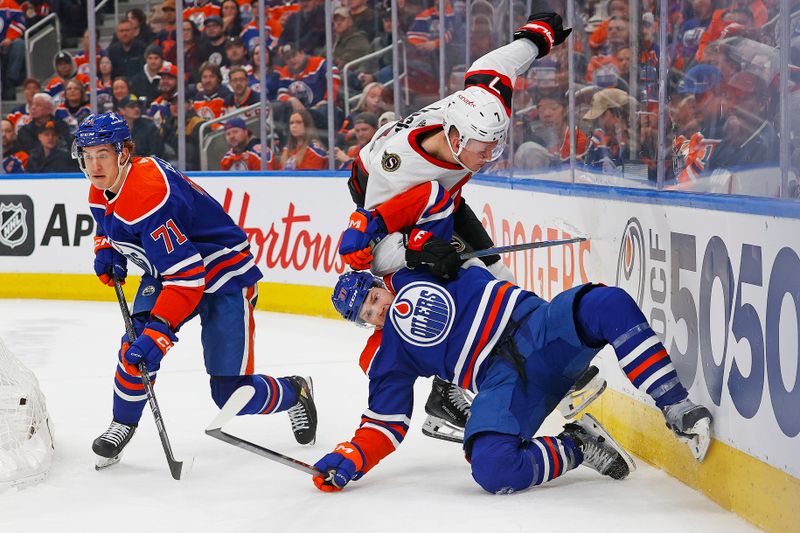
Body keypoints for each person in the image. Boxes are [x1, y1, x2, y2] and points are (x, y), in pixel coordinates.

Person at [339, 12, 576, 443]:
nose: (491, 157)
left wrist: (536, 39)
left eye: (495, 146)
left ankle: (541, 344)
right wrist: (416, 253)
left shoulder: (476, 112)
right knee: (440, 285)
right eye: (484, 149)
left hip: (439, 194)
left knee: (494, 270)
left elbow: (491, 69)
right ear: (455, 139)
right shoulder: (400, 175)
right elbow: (373, 250)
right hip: (387, 198)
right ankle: (444, 395)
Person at [314, 237, 713, 493]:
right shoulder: (386, 355)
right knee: (491, 467)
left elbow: (440, 188)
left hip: (538, 328)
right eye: (365, 315)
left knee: (606, 304)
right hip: (502, 381)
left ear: (379, 284)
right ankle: (578, 445)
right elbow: (385, 422)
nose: (375, 312)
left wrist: (397, 232)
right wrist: (352, 457)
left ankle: (675, 405)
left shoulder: (418, 265)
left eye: (372, 299)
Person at [74, 112, 317, 467]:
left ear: (124, 152)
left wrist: (160, 332)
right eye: (88, 155)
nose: (94, 165)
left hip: (223, 277)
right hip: (171, 271)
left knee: (230, 393)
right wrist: (107, 248)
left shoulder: (148, 194)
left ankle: (295, 392)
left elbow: (187, 277)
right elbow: (108, 221)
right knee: (133, 347)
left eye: (102, 155)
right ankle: (122, 423)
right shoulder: (103, 185)